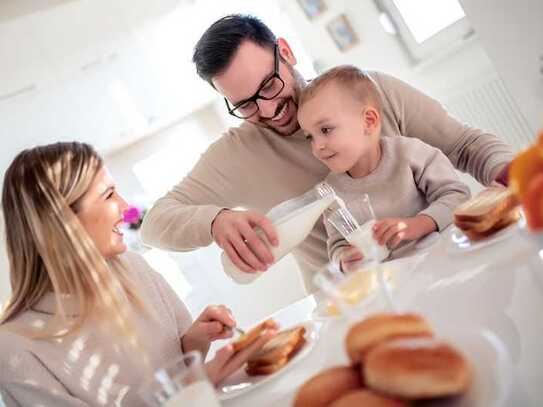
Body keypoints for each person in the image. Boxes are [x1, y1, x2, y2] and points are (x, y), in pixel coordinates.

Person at [140, 14, 513, 291]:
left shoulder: (369, 92)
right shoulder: (235, 155)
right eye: (245, 105)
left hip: (446, 267)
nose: (268, 111)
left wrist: (522, 178)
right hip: (356, 304)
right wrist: (215, 221)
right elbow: (155, 224)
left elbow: (466, 146)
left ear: (285, 52)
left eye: (269, 85)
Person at [0, 142, 277, 407]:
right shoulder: (15, 346)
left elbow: (175, 370)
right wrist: (196, 387)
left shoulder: (133, 267)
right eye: (108, 195)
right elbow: (183, 390)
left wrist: (195, 340)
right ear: (62, 223)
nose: (125, 209)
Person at [297, 65, 471, 271]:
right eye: (310, 137)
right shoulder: (330, 193)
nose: (317, 146)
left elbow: (457, 196)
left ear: (368, 121)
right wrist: (344, 260)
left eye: (325, 130)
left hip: (444, 262)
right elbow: (337, 244)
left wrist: (416, 225)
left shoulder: (410, 154)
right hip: (393, 283)